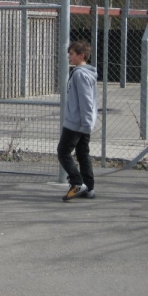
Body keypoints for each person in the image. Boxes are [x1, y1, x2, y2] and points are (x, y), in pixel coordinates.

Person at [57, 41, 98, 201]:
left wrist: (86, 123)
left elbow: (86, 100)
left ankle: (77, 183)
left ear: (82, 55)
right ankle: (89, 188)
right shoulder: (84, 73)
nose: (69, 57)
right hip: (82, 123)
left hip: (76, 123)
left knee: (63, 152)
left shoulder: (80, 74)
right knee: (82, 153)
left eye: (72, 54)